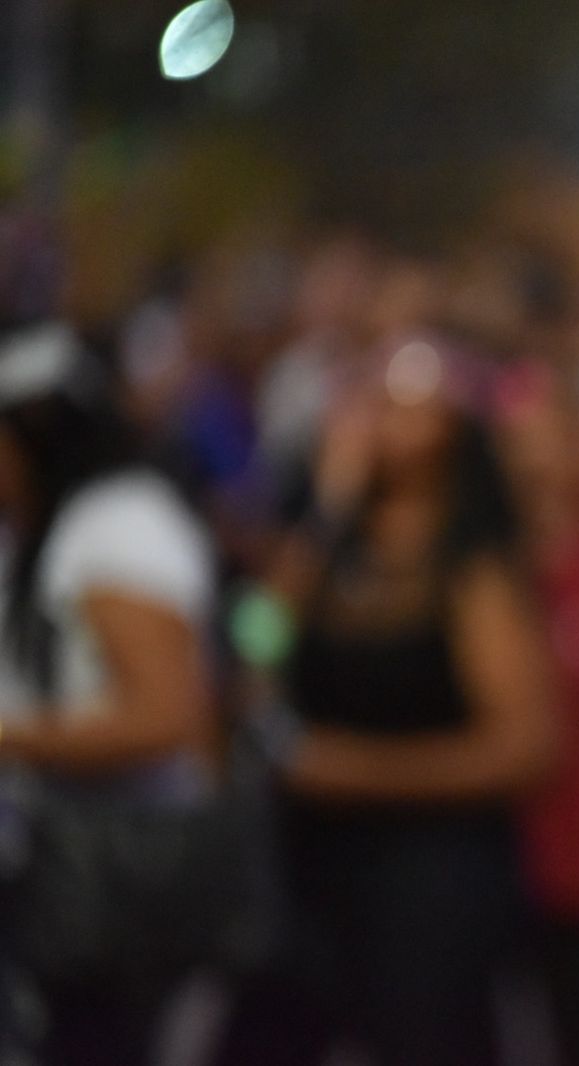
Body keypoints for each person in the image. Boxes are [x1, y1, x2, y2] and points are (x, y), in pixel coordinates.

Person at [213, 333, 553, 1066]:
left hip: (429, 878)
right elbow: (253, 641)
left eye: (410, 410)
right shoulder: (325, 548)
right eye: (373, 404)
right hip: (313, 868)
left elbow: (526, 746)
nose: (384, 425)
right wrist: (327, 511)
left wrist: (358, 770)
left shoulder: (473, 568)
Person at [0, 320, 217, 1065]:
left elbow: (163, 718)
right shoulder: (50, 520)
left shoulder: (121, 524)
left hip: (116, 872)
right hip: (54, 859)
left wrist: (10, 737)